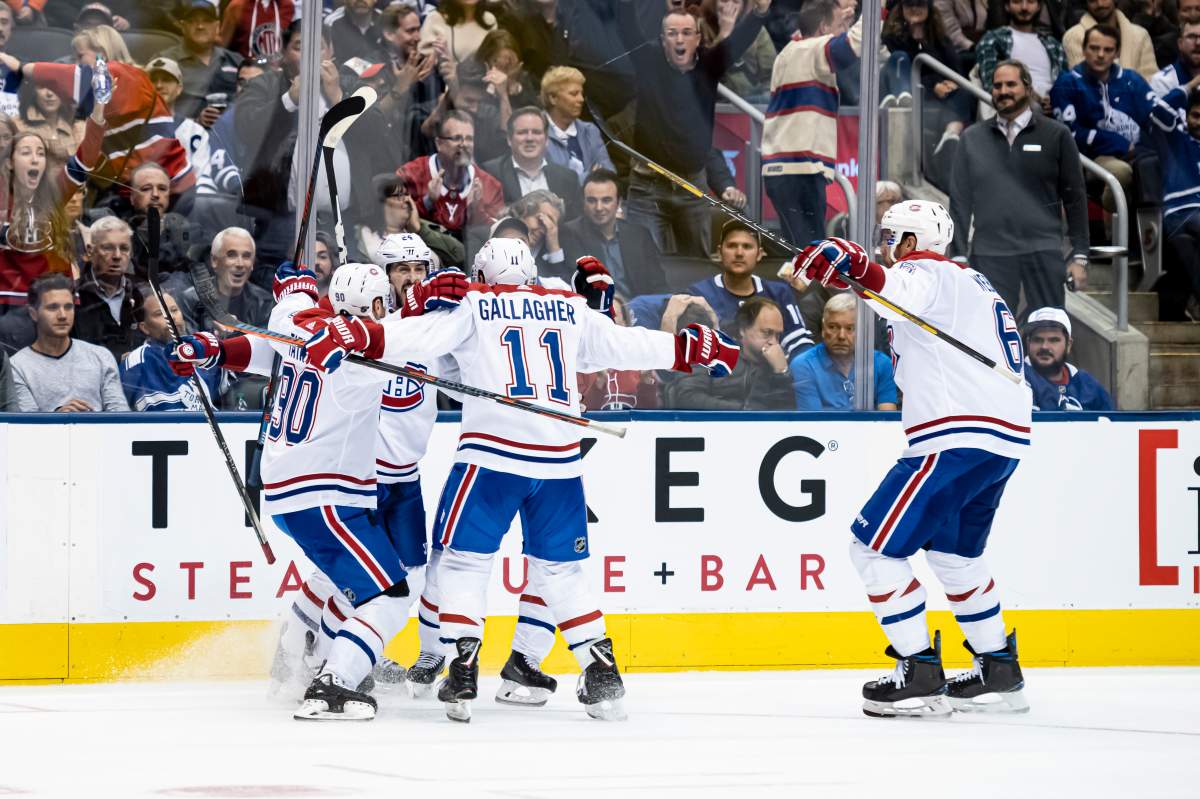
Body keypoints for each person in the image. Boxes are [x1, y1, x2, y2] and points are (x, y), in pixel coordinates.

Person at [300, 238, 740, 722]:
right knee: (561, 572)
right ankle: (600, 670)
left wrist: (358, 336)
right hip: (558, 460)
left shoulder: (474, 303)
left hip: (492, 457)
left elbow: (418, 342)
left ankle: (463, 664)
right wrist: (688, 347)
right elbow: (621, 344)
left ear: (484, 274)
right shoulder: (567, 306)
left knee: (464, 565)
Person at [795, 200, 1031, 718]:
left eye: (889, 238)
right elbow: (891, 296)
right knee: (955, 556)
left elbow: (897, 285)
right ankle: (999, 669)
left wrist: (855, 264)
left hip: (954, 436)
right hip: (1002, 438)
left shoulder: (926, 273)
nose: (886, 246)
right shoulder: (969, 283)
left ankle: (919, 670)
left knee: (872, 549)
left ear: (909, 240)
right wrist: (853, 274)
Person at [619, 0, 773, 256]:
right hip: (648, 188)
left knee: (697, 266)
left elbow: (740, 41)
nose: (679, 39)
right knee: (642, 265)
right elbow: (627, 27)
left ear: (697, 38)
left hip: (691, 186)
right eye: (672, 33)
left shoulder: (709, 66)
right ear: (663, 39)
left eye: (686, 33)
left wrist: (760, 12)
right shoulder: (648, 60)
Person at [950, 60, 1091, 313]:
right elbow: (959, 202)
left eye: (1011, 84)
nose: (1003, 91)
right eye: (997, 85)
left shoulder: (1057, 135)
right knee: (989, 331)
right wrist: (959, 255)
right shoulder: (972, 138)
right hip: (990, 252)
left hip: (1044, 250)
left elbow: (1075, 198)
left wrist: (1080, 256)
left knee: (1048, 326)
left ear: (1027, 88)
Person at [763, 0, 863, 246]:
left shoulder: (791, 51)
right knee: (810, 255)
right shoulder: (812, 49)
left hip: (785, 170)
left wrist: (842, 18)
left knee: (803, 251)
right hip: (800, 170)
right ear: (822, 29)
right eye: (839, 25)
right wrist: (877, 11)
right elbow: (855, 44)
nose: (843, 31)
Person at [1051, 25, 1176, 214]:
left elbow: (1154, 116)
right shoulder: (1068, 83)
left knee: (1167, 162)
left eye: (1108, 50)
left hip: (1139, 152)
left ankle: (1158, 230)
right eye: (1094, 48)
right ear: (1083, 49)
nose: (1100, 55)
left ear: (1117, 52)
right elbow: (1068, 133)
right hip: (1091, 157)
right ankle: (1113, 231)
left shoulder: (1131, 80)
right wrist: (1119, 144)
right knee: (1121, 172)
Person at [686, 220, 814, 359]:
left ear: (759, 254)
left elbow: (799, 344)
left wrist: (787, 373)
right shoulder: (698, 294)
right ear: (719, 252)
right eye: (732, 246)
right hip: (721, 376)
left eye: (747, 247)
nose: (739, 253)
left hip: (773, 377)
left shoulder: (779, 293)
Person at [10, 273, 129, 412]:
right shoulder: (17, 367)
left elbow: (121, 417)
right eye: (53, 308)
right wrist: (59, 419)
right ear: (33, 313)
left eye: (68, 307)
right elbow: (24, 427)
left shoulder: (101, 357)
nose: (62, 315)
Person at [880, 0, 972, 173]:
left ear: (929, 8)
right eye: (909, 4)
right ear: (901, 8)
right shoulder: (892, 37)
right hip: (907, 92)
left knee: (965, 91)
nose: (915, 8)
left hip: (939, 96)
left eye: (920, 4)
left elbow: (956, 70)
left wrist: (949, 82)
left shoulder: (940, 39)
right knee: (900, 58)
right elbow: (904, 67)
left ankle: (951, 136)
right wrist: (933, 84)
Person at [667, 295, 796, 409]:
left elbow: (786, 417)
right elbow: (687, 397)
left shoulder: (777, 364)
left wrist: (781, 374)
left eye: (778, 335)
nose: (774, 342)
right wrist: (742, 411)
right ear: (743, 329)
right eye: (766, 333)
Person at [561, 169, 671, 298]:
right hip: (598, 311)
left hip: (641, 308)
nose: (599, 208)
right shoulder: (571, 233)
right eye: (591, 201)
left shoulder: (639, 234)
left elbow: (659, 285)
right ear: (583, 203)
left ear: (618, 202)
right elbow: (580, 286)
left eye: (606, 200)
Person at [398, 111, 504, 241]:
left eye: (469, 139)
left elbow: (497, 236)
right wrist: (428, 202)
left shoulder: (490, 186)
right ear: (439, 144)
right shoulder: (410, 175)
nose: (464, 144)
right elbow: (395, 224)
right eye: (457, 138)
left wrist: (475, 210)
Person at [790, 293, 899, 411]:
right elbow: (813, 422)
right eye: (832, 327)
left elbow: (887, 420)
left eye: (850, 328)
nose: (841, 336)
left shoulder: (882, 364)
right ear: (822, 328)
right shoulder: (804, 365)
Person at [119, 288, 222, 411]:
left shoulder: (203, 354)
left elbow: (240, 378)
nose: (172, 317)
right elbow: (119, 411)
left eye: (174, 310)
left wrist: (231, 334)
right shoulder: (137, 360)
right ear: (145, 327)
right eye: (160, 314)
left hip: (210, 428)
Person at [1148, 86, 1200, 317]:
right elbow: (1157, 111)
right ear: (1186, 117)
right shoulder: (1175, 139)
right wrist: (1191, 85)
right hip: (1180, 212)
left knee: (1185, 246)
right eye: (1196, 116)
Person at [483, 107, 582, 221]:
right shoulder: (490, 173)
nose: (530, 138)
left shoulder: (568, 178)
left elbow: (575, 225)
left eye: (536, 132)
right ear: (509, 139)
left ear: (546, 140)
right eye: (522, 132)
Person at [974, 0, 1070, 113]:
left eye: (1030, 2)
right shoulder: (993, 39)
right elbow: (991, 82)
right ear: (1007, 6)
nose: (1024, 7)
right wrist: (1028, 95)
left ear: (1038, 6)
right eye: (1017, 1)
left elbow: (1066, 83)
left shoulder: (1054, 44)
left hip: (1056, 109)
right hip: (1016, 107)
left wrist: (1056, 99)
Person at [154, 0, 242, 122]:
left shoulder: (235, 60)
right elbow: (154, 108)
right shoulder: (165, 61)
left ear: (217, 26)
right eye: (193, 21)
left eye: (206, 21)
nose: (200, 26)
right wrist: (195, 122)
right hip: (181, 134)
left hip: (232, 131)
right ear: (183, 26)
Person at [175, 226, 271, 336]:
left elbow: (265, 345)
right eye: (231, 255)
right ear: (214, 260)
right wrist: (213, 334)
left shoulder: (264, 302)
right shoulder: (190, 299)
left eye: (246, 256)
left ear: (252, 263)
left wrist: (236, 333)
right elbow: (187, 346)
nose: (240, 264)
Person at [357, 174, 464, 268]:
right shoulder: (361, 235)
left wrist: (419, 229)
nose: (407, 200)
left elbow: (460, 255)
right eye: (399, 195)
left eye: (407, 194)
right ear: (380, 203)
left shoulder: (423, 228)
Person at [73, 216, 141, 360]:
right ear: (90, 251)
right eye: (108, 248)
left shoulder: (142, 293)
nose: (117, 256)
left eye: (124, 248)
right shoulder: (73, 297)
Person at [1022, 306, 1114, 409]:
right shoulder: (1018, 379)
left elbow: (1113, 421)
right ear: (1028, 343)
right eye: (1037, 340)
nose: (1044, 347)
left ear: (1069, 345)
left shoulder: (1085, 383)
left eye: (1054, 340)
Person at [539, 67, 615, 183]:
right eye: (574, 94)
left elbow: (609, 174)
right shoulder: (535, 131)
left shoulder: (590, 130)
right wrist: (590, 176)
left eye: (581, 94)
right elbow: (552, 182)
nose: (581, 99)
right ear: (553, 98)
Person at [699, 0, 778, 102]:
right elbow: (704, 69)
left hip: (750, 100)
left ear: (743, 6)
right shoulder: (700, 27)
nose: (729, 7)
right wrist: (724, 34)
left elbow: (770, 73)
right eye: (724, 1)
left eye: (736, 1)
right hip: (715, 98)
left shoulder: (757, 30)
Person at [146, 57, 210, 179]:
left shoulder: (195, 132)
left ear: (179, 88)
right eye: (153, 80)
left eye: (166, 80)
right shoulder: (132, 129)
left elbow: (202, 177)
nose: (159, 85)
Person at [1063, 0, 1159, 78]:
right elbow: (1082, 84)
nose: (1100, 4)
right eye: (1092, 0)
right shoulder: (1073, 37)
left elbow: (1151, 81)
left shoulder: (1140, 35)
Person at [419, 0, 498, 80]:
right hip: (447, 87)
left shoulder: (489, 19)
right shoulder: (435, 19)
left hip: (482, 87)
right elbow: (425, 68)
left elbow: (495, 63)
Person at [15, 79, 77, 170]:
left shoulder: (77, 126)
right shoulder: (16, 125)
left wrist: (69, 157)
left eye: (55, 87)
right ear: (32, 90)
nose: (49, 93)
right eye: (42, 87)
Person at [220, 0, 295, 60]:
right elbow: (222, 47)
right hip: (243, 72)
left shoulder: (287, 6)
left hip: (276, 73)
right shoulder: (238, 6)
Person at [1150, 20, 1200, 101]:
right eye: (1191, 37)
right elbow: (1159, 111)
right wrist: (1189, 88)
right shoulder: (1162, 81)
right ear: (1180, 43)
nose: (1198, 43)